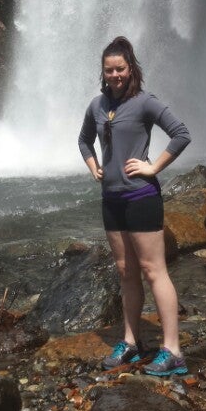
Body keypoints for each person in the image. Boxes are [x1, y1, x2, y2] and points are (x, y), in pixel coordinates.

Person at [78, 35, 191, 376]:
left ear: (131, 68)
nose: (115, 75)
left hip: (141, 196)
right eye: (109, 70)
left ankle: (172, 350)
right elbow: (84, 140)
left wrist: (153, 166)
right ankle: (131, 341)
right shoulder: (97, 105)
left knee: (154, 270)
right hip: (111, 199)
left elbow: (181, 133)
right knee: (126, 272)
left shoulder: (144, 102)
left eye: (120, 69)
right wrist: (93, 165)